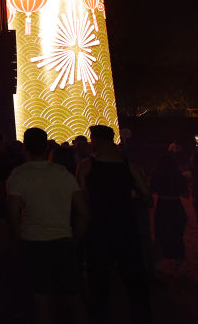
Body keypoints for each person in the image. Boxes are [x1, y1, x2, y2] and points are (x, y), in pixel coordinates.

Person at [7, 128, 88, 324]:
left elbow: (13, 215)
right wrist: (74, 240)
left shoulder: (18, 176)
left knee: (41, 299)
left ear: (25, 148)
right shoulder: (63, 174)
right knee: (73, 297)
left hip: (33, 242)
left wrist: (18, 241)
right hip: (63, 241)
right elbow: (84, 213)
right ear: (47, 147)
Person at [77, 124, 151, 324]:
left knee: (98, 283)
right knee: (135, 281)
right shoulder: (129, 166)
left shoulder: (86, 166)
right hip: (126, 228)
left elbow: (81, 199)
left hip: (98, 230)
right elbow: (147, 198)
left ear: (96, 140)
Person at [150, 154, 188, 275]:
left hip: (163, 205)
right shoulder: (178, 175)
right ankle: (179, 265)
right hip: (176, 205)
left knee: (160, 234)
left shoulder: (157, 175)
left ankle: (158, 263)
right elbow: (186, 194)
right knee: (177, 234)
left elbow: (151, 190)